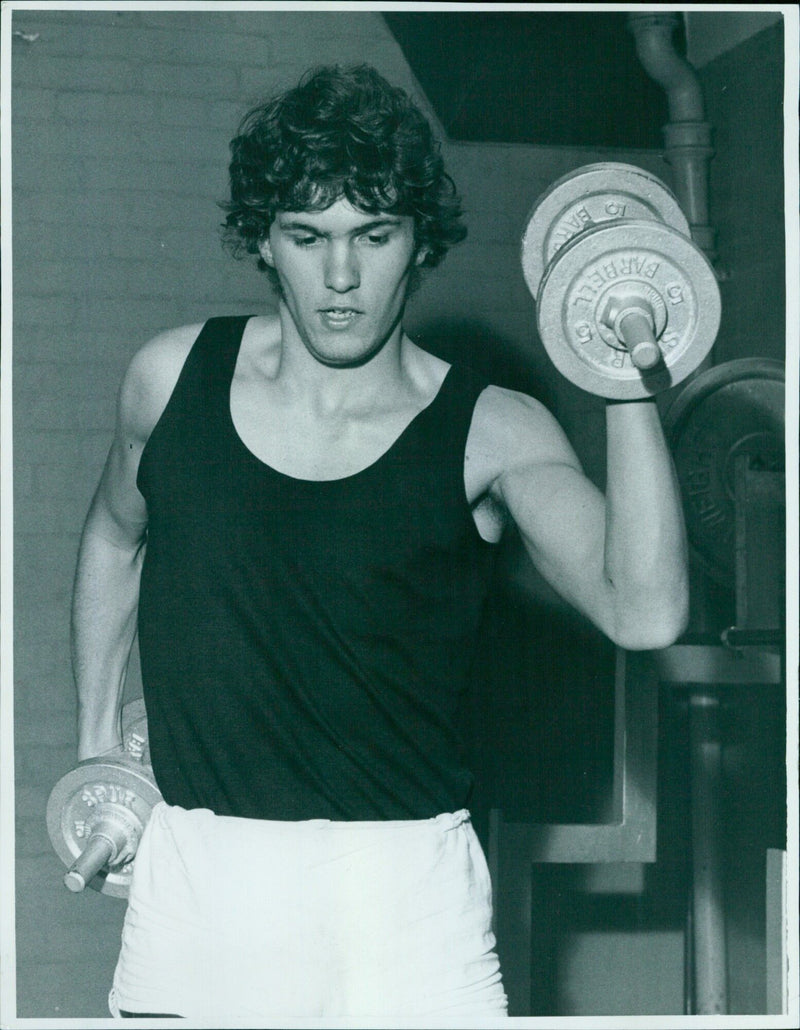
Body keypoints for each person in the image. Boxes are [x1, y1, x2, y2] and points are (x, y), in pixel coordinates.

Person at [71, 64, 689, 1022]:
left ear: (419, 245)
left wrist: (623, 377)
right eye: (308, 236)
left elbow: (645, 610)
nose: (343, 276)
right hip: (200, 901)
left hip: (409, 911)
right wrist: (98, 743)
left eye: (375, 234)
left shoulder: (494, 430)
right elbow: (115, 536)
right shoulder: (168, 380)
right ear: (266, 242)